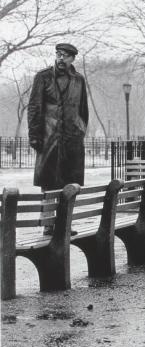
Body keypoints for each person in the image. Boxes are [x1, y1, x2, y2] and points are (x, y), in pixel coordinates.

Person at [27, 43, 89, 235]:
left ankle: (64, 225)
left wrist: (80, 130)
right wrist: (35, 136)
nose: (61, 59)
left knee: (69, 183)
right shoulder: (43, 77)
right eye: (58, 55)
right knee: (49, 182)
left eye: (65, 56)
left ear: (72, 59)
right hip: (49, 138)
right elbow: (34, 107)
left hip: (72, 139)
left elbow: (83, 110)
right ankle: (48, 225)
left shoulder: (79, 80)